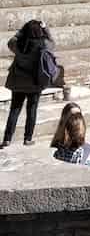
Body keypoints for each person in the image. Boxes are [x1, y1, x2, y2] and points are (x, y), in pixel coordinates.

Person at [2, 20, 59, 148]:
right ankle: (28, 139)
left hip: (18, 81)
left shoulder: (18, 44)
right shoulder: (43, 44)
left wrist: (22, 31)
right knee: (32, 110)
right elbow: (53, 43)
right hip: (35, 82)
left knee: (14, 110)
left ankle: (7, 139)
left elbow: (10, 42)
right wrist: (46, 29)